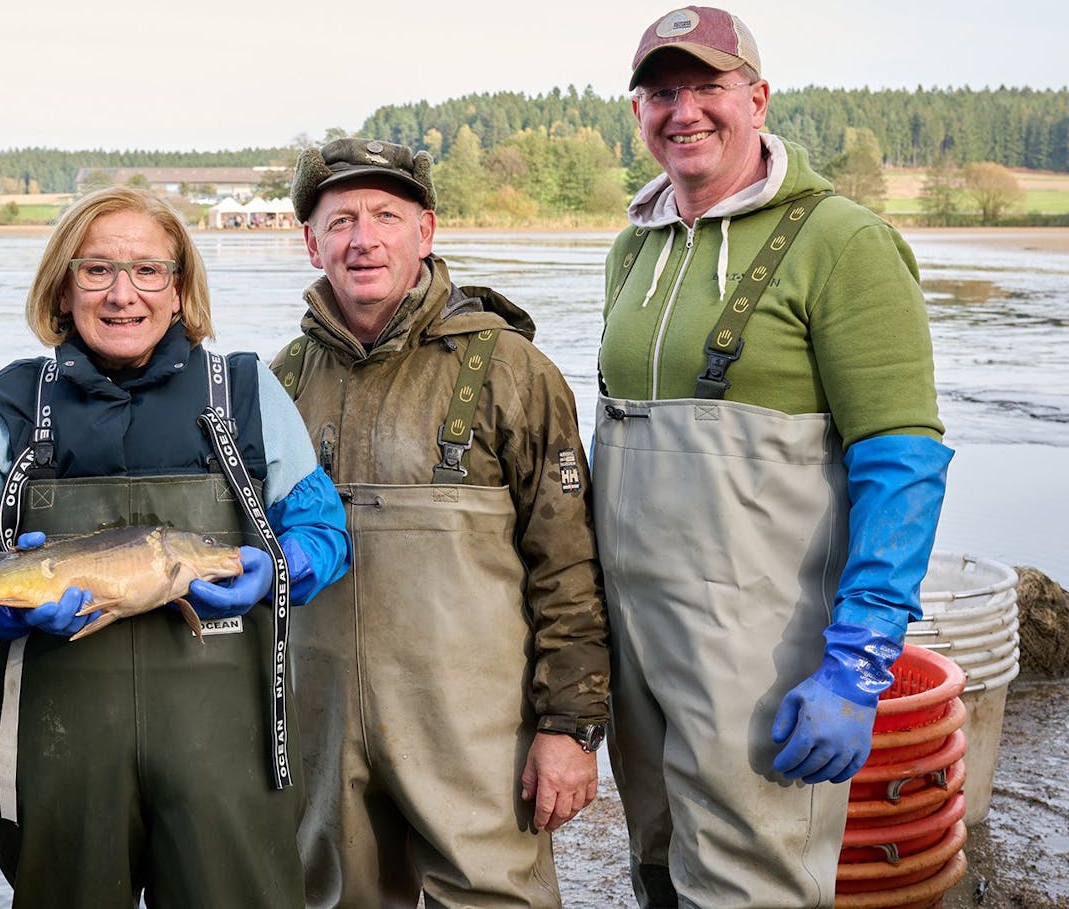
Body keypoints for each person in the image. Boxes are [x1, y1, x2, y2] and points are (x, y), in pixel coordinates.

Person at [594, 8, 954, 907]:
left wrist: (861, 657)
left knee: (752, 882)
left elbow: (902, 458)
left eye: (708, 87)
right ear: (638, 111)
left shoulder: (846, 244)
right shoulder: (632, 249)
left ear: (757, 98)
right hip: (639, 648)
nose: (684, 112)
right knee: (660, 862)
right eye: (662, 92)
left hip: (762, 654)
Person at [0, 186, 350, 908]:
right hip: (59, 755)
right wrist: (6, 610)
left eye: (148, 271)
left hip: (228, 758)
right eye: (96, 269)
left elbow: (325, 530)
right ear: (62, 290)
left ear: (180, 289)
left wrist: (277, 568)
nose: (122, 294)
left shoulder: (247, 394)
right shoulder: (12, 406)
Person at [272, 137, 610, 908]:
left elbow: (570, 564)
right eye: (342, 219)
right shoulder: (278, 380)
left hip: (477, 743)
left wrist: (571, 727)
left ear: (425, 232)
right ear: (310, 241)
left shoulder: (511, 370)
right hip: (325, 741)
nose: (364, 239)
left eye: (387, 215)